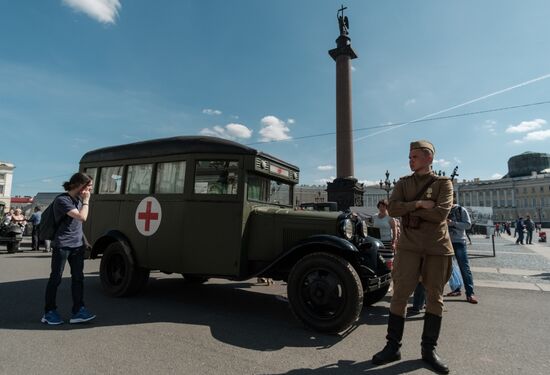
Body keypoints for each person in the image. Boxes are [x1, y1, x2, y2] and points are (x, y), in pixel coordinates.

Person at [372, 140, 453, 374]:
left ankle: (428, 351)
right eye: (409, 157)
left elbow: (440, 213)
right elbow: (393, 209)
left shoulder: (443, 184)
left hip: (437, 248)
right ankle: (392, 347)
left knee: (435, 298)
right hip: (408, 247)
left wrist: (409, 209)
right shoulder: (403, 183)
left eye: (415, 156)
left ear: (429, 158)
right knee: (399, 296)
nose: (410, 160)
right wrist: (418, 204)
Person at [41, 172, 96, 325]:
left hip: (77, 246)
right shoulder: (62, 200)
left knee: (78, 278)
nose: (90, 189)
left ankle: (78, 310)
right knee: (56, 278)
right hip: (62, 245)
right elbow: (81, 217)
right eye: (89, 186)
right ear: (79, 185)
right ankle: (49, 312)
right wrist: (86, 201)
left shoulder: (78, 199)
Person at [445, 193, 478, 304]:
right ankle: (456, 289)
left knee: (464, 267)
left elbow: (468, 225)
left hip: (459, 242)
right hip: (446, 242)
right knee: (448, 268)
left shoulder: (460, 209)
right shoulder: (443, 210)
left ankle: (470, 293)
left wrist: (453, 223)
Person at [373, 199, 399, 266]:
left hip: (387, 243)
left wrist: (394, 242)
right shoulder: (374, 217)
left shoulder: (390, 218)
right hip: (377, 243)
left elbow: (394, 229)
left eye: (383, 206)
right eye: (380, 206)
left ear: (386, 207)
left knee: (388, 262)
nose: (382, 208)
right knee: (378, 261)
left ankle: (390, 275)